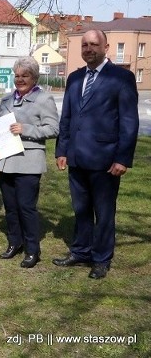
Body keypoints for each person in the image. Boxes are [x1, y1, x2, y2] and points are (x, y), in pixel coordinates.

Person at [53, 29, 139, 279]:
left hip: (106, 159)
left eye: (93, 44)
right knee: (80, 209)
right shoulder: (75, 77)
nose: (88, 49)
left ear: (105, 47)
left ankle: (101, 259)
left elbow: (129, 121)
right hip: (77, 157)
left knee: (103, 213)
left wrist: (123, 158)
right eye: (85, 45)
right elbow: (67, 116)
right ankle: (80, 251)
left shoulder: (121, 77)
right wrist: (62, 149)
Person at [0, 56, 59, 268]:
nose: (19, 79)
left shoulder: (44, 99)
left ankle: (32, 250)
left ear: (34, 77)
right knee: (10, 207)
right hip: (6, 160)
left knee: (26, 207)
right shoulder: (7, 99)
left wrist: (26, 129)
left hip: (29, 162)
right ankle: (14, 243)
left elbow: (54, 129)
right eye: (17, 76)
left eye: (24, 76)